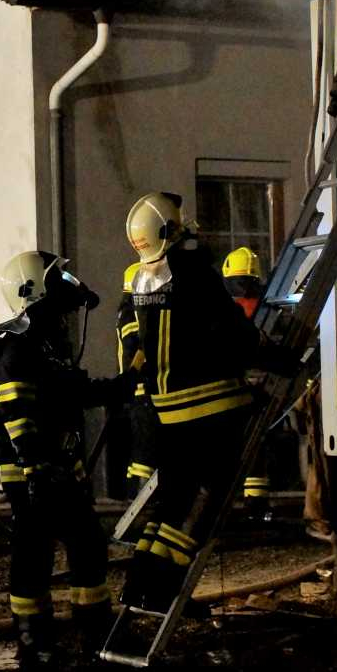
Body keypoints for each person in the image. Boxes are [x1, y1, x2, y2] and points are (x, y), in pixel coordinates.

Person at [118, 194, 261, 613]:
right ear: (170, 231)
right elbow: (232, 332)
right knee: (202, 504)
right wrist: (269, 355)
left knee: (170, 504)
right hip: (209, 408)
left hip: (169, 412)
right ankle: (164, 591)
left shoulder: (143, 279)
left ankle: (139, 586)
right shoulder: (194, 274)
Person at [0, 251, 120, 668]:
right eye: (57, 280)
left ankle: (92, 632)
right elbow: (14, 408)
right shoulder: (18, 348)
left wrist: (121, 387)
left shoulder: (47, 344)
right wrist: (34, 468)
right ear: (33, 290)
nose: (67, 287)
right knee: (36, 550)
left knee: (84, 543)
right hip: (31, 470)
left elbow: (71, 393)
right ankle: (36, 641)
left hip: (55, 464)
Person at [222, 247, 277, 517]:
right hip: (263, 383)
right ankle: (256, 503)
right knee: (257, 442)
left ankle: (223, 501)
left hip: (231, 385)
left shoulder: (223, 308)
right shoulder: (266, 307)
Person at [115, 261, 157, 498]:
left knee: (143, 448)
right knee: (146, 448)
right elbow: (135, 344)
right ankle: (140, 498)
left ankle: (135, 495)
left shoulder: (128, 309)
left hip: (137, 387)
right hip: (141, 387)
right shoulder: (132, 311)